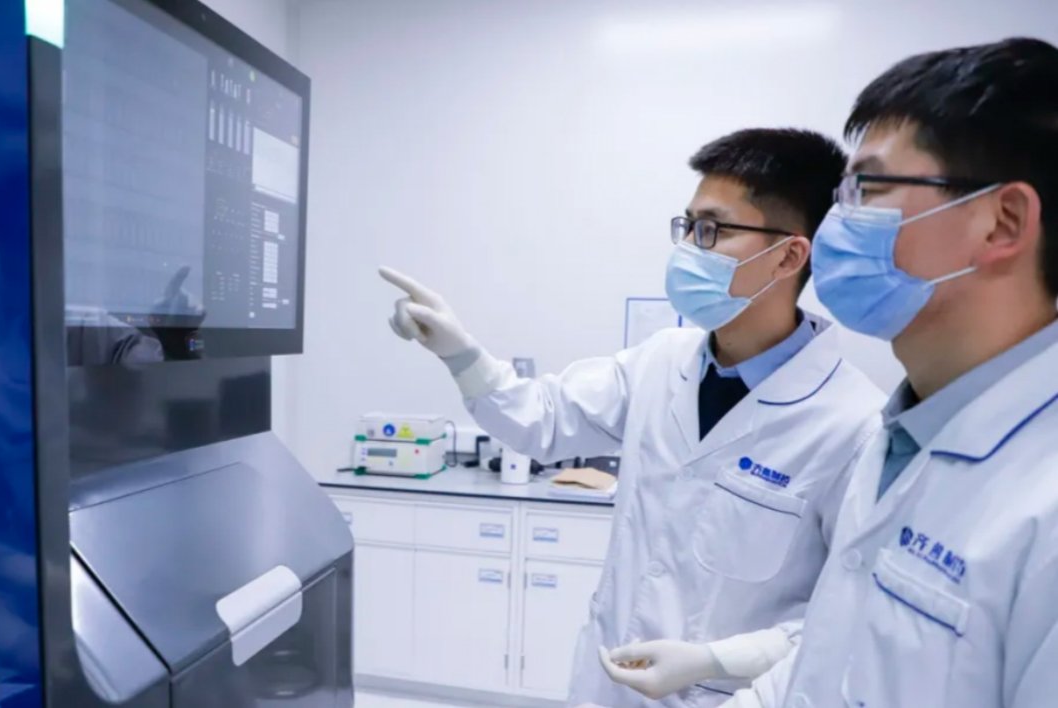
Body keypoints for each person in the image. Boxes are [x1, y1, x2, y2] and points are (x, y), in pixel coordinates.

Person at [379, 128, 885, 707]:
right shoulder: (660, 363)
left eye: (713, 230)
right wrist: (461, 354)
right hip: (607, 687)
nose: (688, 248)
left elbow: (849, 618)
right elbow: (543, 421)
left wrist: (720, 661)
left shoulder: (853, 426)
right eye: (687, 226)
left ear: (789, 256)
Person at [726, 37, 1058, 708]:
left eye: (868, 189)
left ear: (1003, 222)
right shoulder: (904, 433)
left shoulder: (1042, 505)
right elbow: (833, 658)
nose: (835, 223)